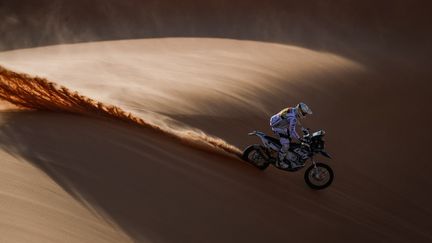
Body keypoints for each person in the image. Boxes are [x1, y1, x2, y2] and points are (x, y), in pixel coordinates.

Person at [269, 102, 313, 168]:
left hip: (275, 121)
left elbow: (294, 120)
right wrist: (299, 139)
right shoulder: (293, 118)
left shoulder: (292, 109)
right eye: (304, 113)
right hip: (277, 127)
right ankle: (279, 162)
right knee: (286, 145)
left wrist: (302, 128)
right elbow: (292, 131)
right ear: (300, 111)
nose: (305, 114)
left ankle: (279, 151)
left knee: (289, 137)